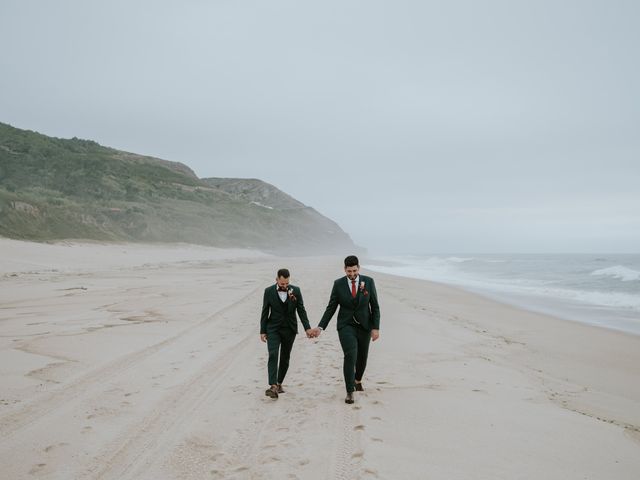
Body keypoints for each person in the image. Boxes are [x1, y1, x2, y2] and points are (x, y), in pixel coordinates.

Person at [311, 255, 380, 404]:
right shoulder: (338, 284)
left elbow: (374, 306)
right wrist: (320, 326)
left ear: (358, 268)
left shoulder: (368, 282)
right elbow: (331, 307)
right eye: (349, 271)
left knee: (362, 357)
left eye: (354, 271)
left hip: (365, 326)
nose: (352, 274)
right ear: (344, 269)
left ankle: (357, 380)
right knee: (351, 355)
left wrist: (375, 328)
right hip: (345, 325)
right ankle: (350, 391)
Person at [260, 268, 313, 399]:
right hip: (273, 328)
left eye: (287, 283)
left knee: (285, 357)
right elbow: (265, 311)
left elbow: (301, 310)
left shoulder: (296, 291)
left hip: (290, 329)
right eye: (282, 283)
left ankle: (279, 383)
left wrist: (307, 328)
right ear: (277, 279)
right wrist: (263, 330)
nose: (285, 286)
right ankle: (272, 385)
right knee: (273, 354)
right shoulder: (268, 291)